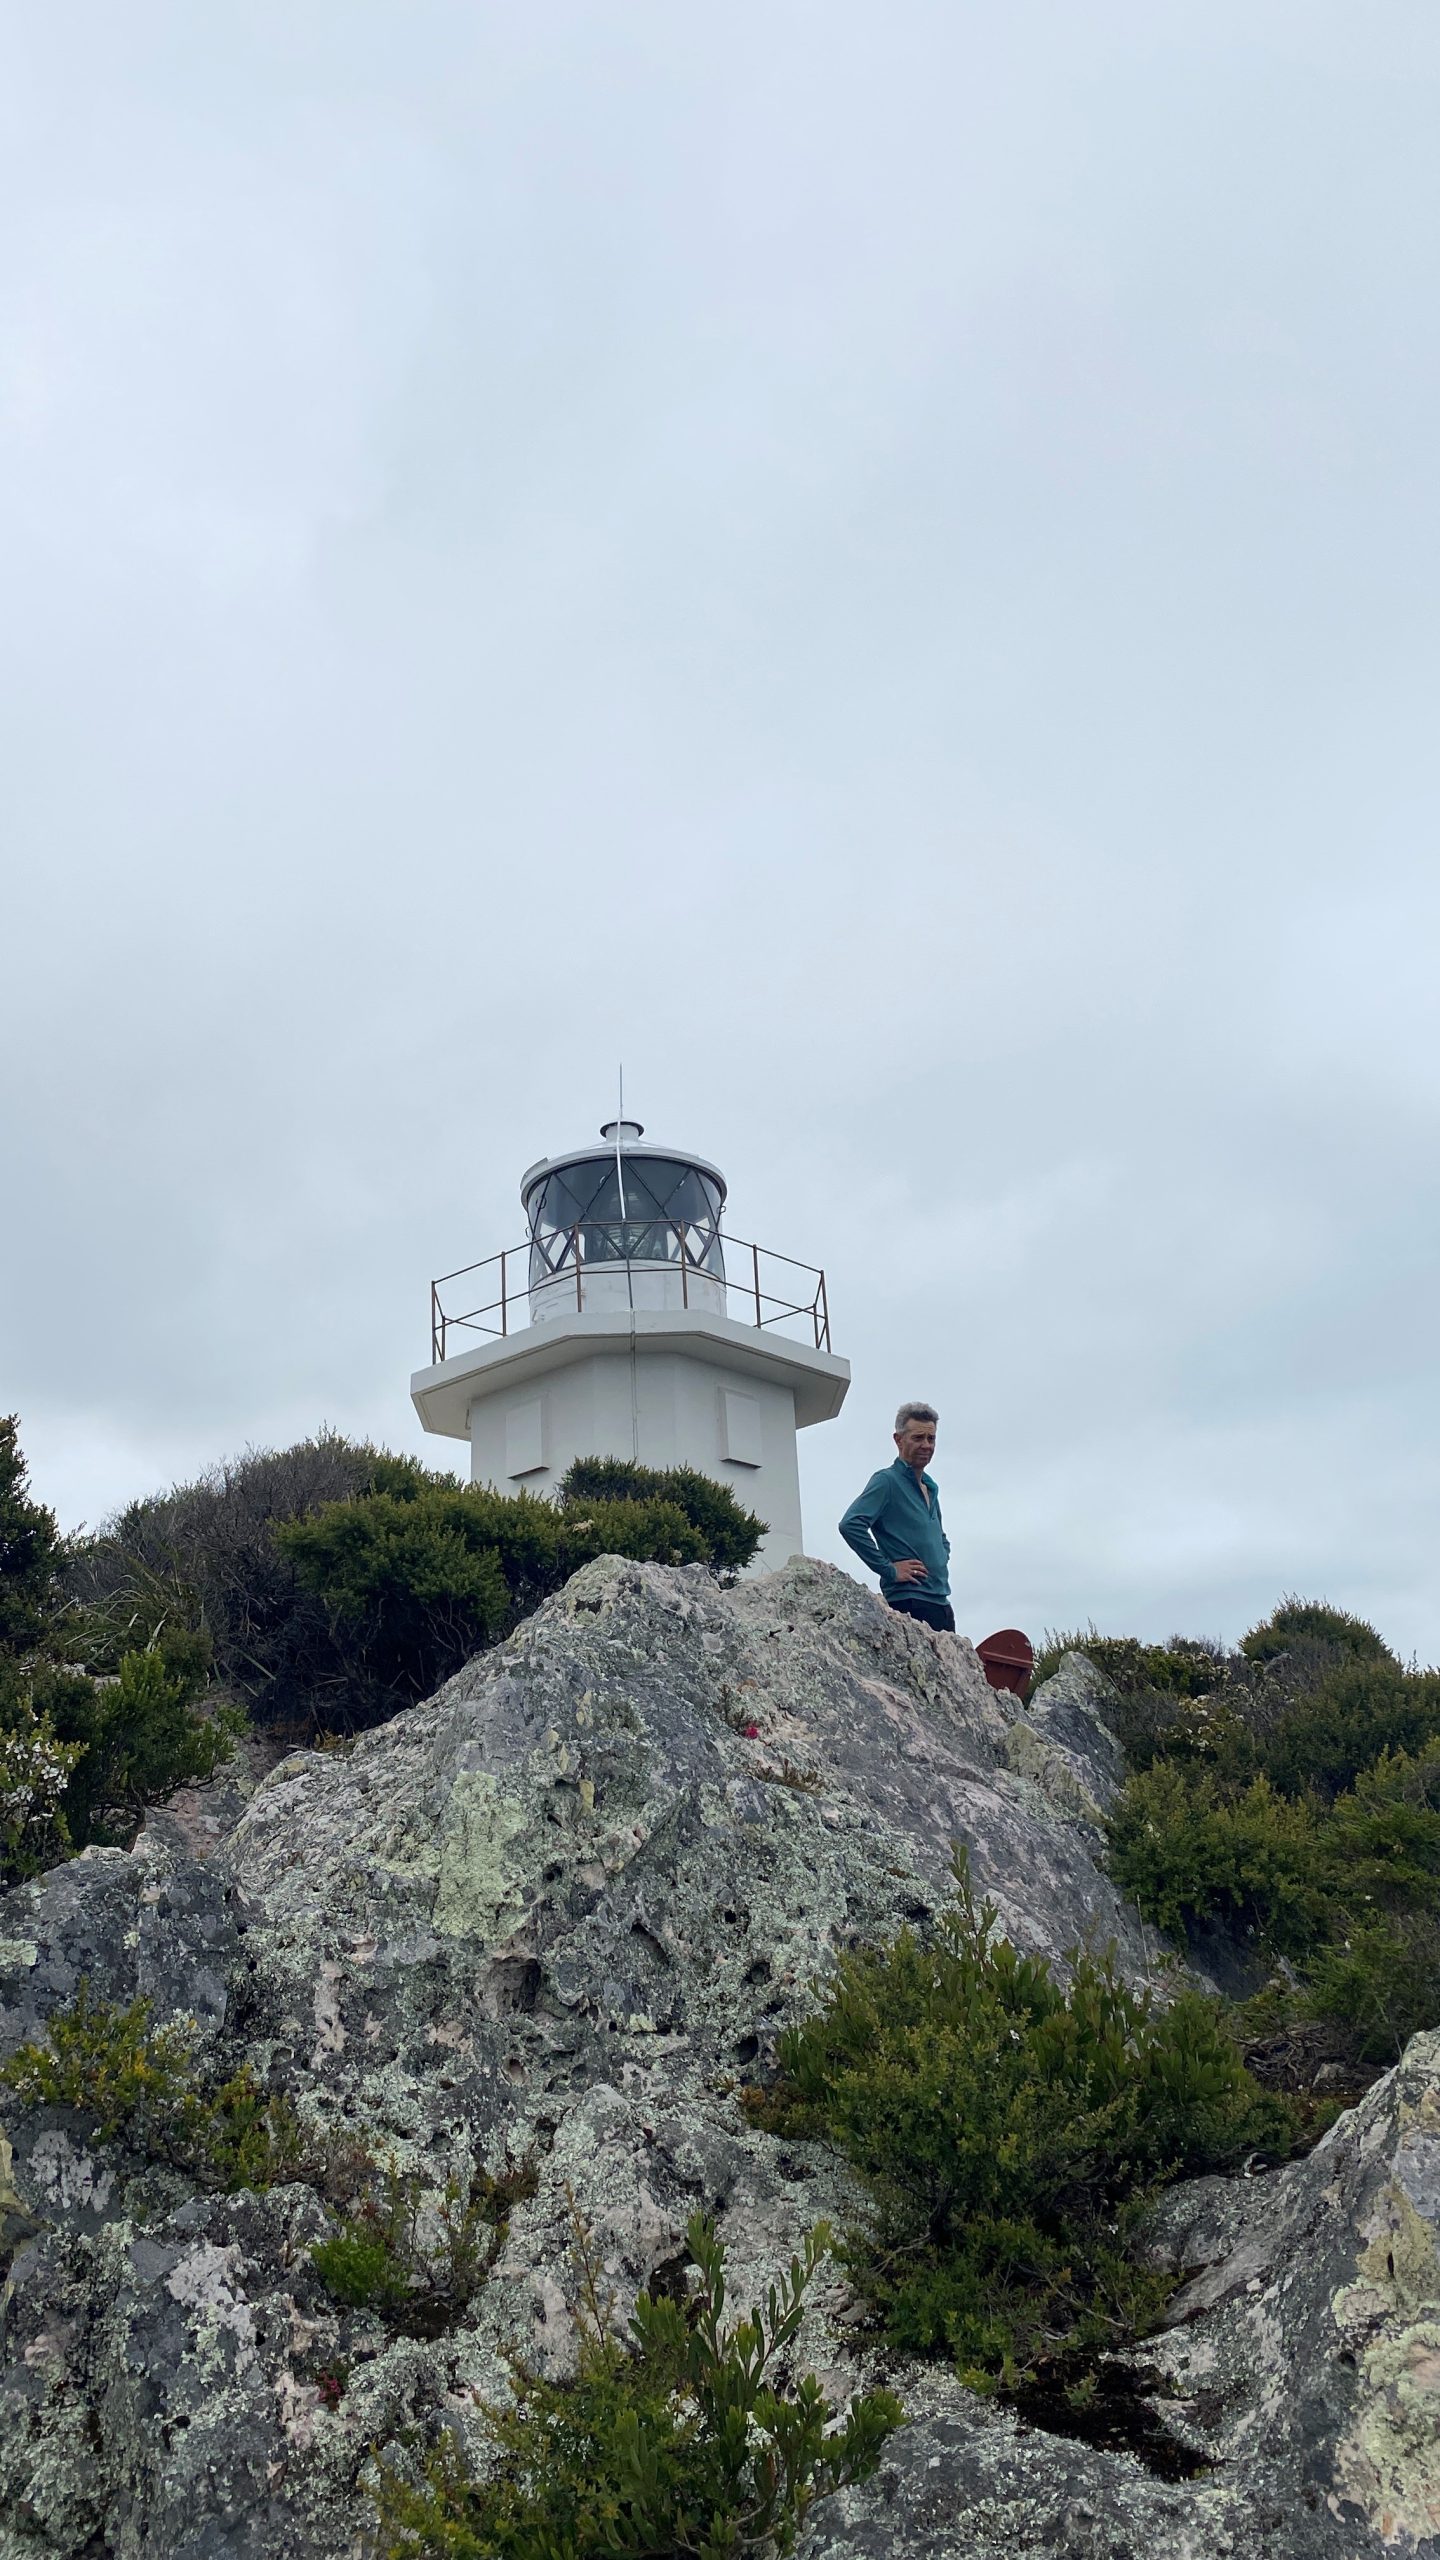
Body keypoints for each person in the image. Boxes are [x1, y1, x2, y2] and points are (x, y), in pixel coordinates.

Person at [839, 1401, 954, 1633]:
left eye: (931, 1439)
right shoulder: (887, 1481)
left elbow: (938, 1534)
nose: (926, 1445)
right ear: (899, 1440)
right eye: (918, 1437)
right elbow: (851, 1524)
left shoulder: (930, 1488)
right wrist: (890, 1569)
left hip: (940, 1600)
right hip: (909, 1600)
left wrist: (942, 1553)